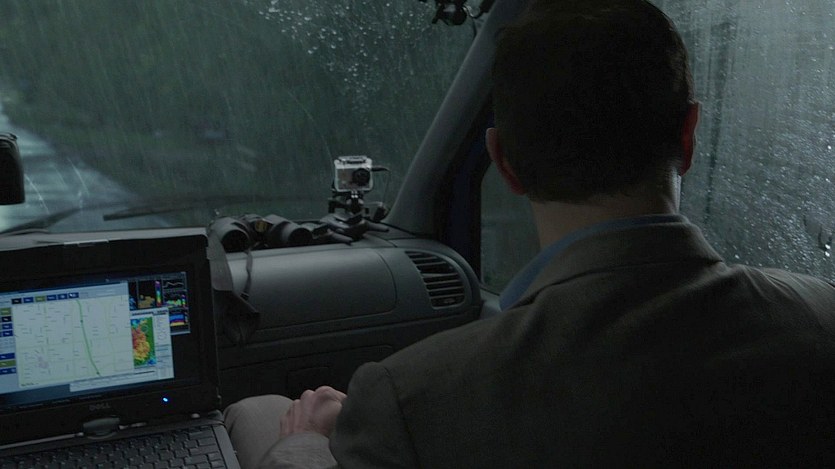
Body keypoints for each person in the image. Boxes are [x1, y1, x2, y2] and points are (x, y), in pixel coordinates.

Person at [223, 0, 835, 467]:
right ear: (689, 137)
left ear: (504, 164)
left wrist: (305, 446)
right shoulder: (821, 318)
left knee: (260, 414)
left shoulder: (410, 398)